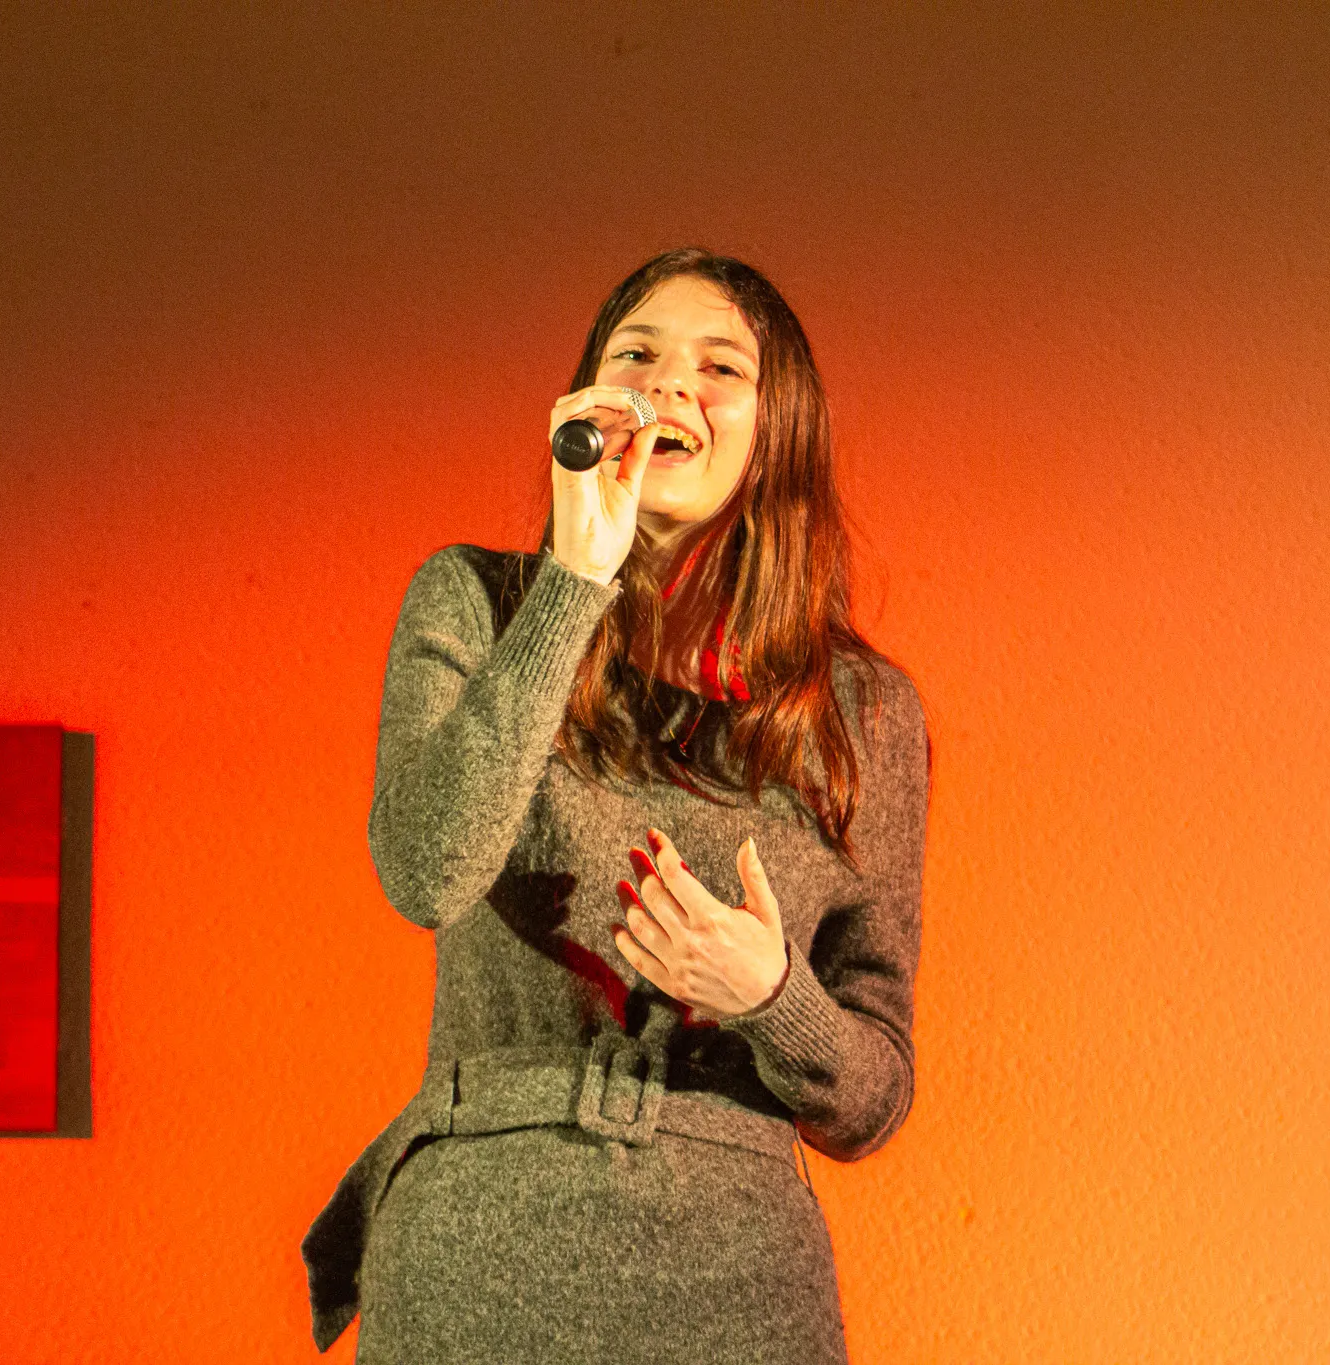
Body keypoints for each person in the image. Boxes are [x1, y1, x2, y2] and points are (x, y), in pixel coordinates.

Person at [301, 247, 933, 1364]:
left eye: (719, 367)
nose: (669, 383)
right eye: (635, 355)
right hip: (480, 1247)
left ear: (778, 428)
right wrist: (574, 583)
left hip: (735, 1271)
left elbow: (872, 1097)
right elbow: (425, 869)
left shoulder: (861, 710)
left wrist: (772, 995)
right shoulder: (476, 602)